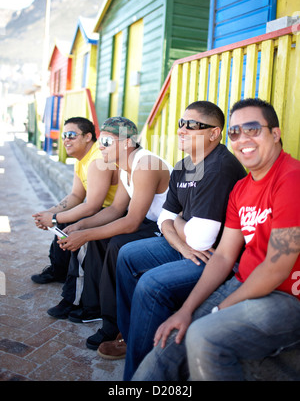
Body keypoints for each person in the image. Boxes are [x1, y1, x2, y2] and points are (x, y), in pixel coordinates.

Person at [132, 98, 300, 382]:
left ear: (275, 133)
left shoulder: (291, 179)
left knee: (203, 334)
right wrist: (186, 311)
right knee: (170, 340)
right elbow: (222, 256)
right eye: (235, 132)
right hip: (243, 281)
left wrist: (216, 310)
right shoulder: (241, 189)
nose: (242, 139)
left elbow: (276, 268)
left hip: (286, 297)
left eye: (252, 129)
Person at [100, 101, 246, 381]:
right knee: (127, 253)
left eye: (193, 125)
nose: (182, 129)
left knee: (151, 285)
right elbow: (163, 219)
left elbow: (200, 240)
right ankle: (133, 340)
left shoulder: (219, 167)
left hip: (214, 257)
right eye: (181, 123)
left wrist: (177, 226)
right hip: (185, 247)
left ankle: (142, 373)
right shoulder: (185, 165)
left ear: (214, 133)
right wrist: (180, 240)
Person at [48, 116, 173, 350]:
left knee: (116, 244)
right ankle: (93, 307)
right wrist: (81, 226)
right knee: (98, 237)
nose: (100, 146)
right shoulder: (124, 167)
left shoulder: (145, 164)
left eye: (106, 141)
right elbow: (116, 209)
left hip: (171, 229)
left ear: (126, 143)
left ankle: (114, 324)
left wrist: (84, 235)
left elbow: (131, 222)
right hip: (152, 223)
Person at [31, 117, 118, 285]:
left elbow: (92, 206)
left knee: (68, 224)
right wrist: (51, 213)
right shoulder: (81, 160)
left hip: (115, 212)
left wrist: (55, 218)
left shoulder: (98, 159)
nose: (66, 140)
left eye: (71, 135)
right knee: (62, 221)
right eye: (64, 136)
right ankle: (58, 270)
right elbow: (76, 195)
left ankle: (74, 287)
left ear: (87, 137)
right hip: (102, 209)